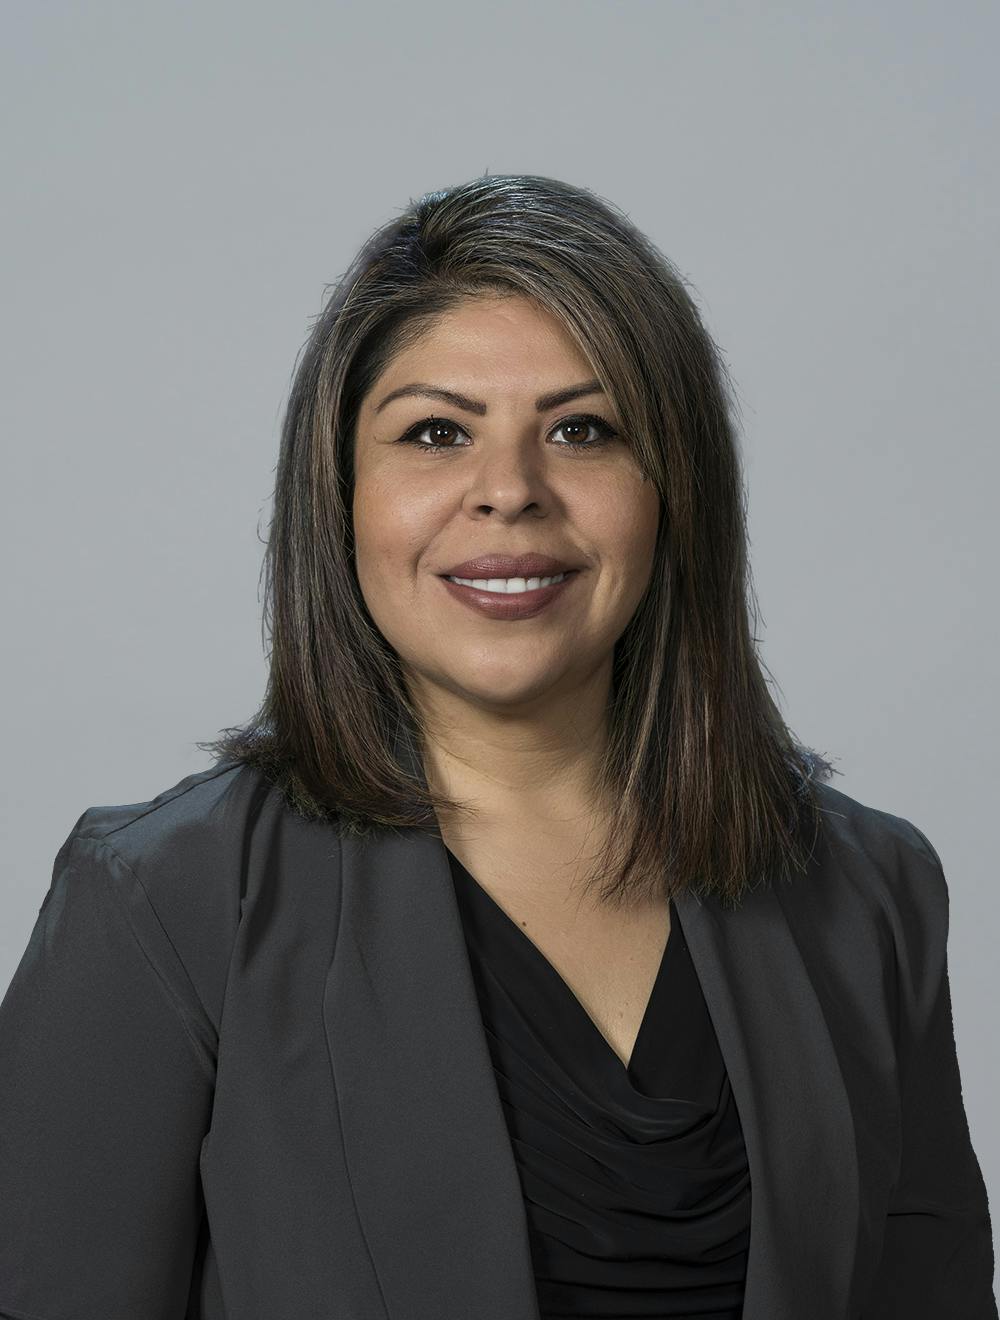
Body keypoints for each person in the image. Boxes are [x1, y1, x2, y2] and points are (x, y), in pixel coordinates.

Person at [0, 173, 995, 1320]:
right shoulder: (162, 907)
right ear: (339, 497)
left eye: (583, 430)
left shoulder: (870, 894)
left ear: (675, 490)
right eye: (435, 433)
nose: (509, 493)